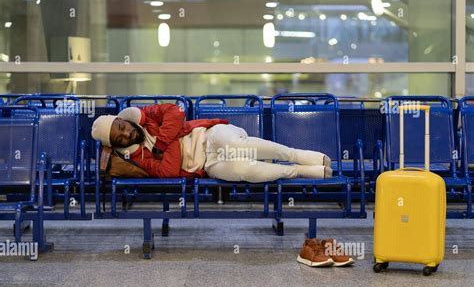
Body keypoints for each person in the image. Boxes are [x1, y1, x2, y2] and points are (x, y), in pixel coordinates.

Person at [91, 103, 333, 183]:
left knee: (238, 147)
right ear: (117, 144)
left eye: (121, 127)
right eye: (118, 138)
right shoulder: (137, 158)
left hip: (211, 135)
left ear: (124, 120)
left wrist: (163, 144)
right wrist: (171, 138)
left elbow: (175, 112)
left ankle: (300, 155)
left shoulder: (147, 114)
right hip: (207, 165)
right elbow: (168, 172)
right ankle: (301, 171)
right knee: (243, 170)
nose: (126, 134)